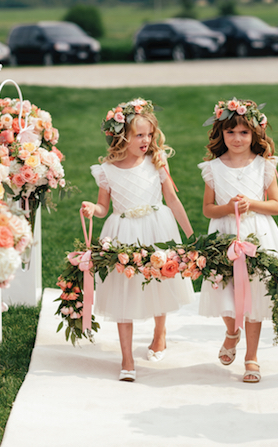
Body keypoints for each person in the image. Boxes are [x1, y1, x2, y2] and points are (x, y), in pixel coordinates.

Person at [81, 98, 194, 382]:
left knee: (160, 280)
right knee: (123, 291)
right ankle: (127, 358)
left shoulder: (157, 161)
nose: (146, 140)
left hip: (157, 228)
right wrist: (92, 210)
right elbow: (104, 207)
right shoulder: (107, 170)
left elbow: (172, 198)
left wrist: (191, 236)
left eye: (149, 134)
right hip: (123, 233)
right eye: (139, 135)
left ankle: (159, 333)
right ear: (123, 137)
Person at [198, 99, 278, 383]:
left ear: (255, 134)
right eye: (230, 132)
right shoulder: (213, 168)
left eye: (244, 133)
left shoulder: (264, 166)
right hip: (224, 234)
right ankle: (231, 332)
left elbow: (275, 205)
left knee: (256, 294)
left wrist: (251, 203)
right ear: (220, 134)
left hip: (257, 234)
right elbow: (208, 209)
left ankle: (252, 356)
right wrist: (230, 208)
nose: (237, 139)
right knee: (224, 289)